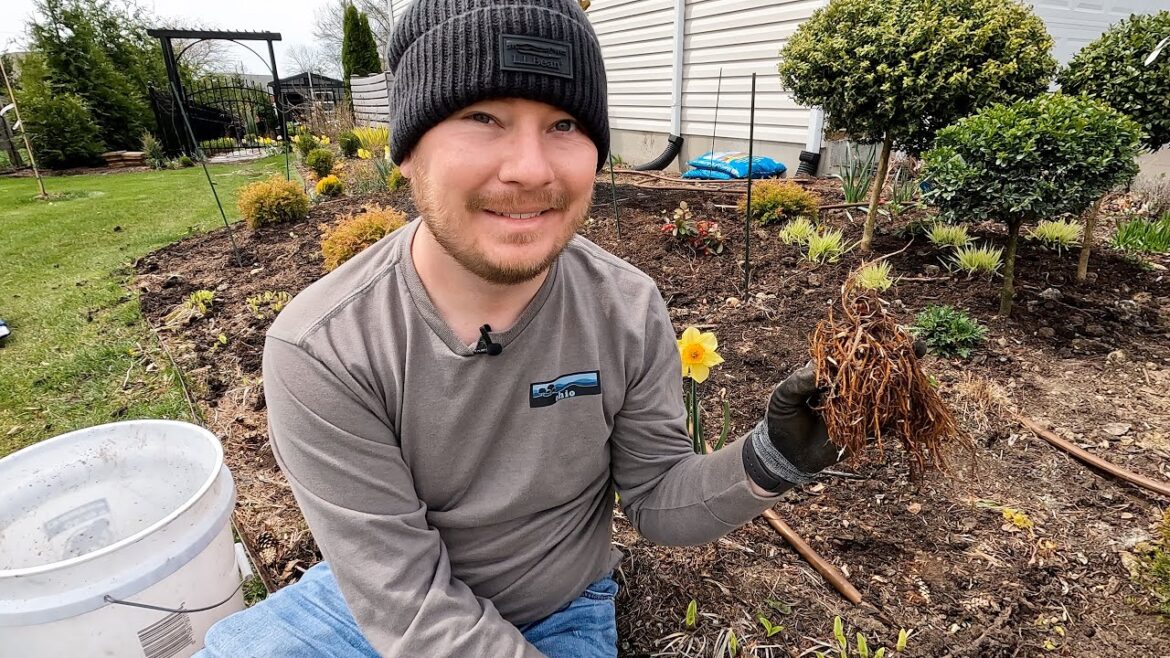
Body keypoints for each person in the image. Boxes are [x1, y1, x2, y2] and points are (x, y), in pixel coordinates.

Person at [197, 1, 844, 656]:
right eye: (483, 118)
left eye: (563, 123)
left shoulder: (624, 307)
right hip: (379, 600)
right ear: (407, 150)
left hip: (558, 605)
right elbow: (410, 606)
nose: (531, 169)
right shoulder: (325, 347)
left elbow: (656, 498)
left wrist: (773, 459)